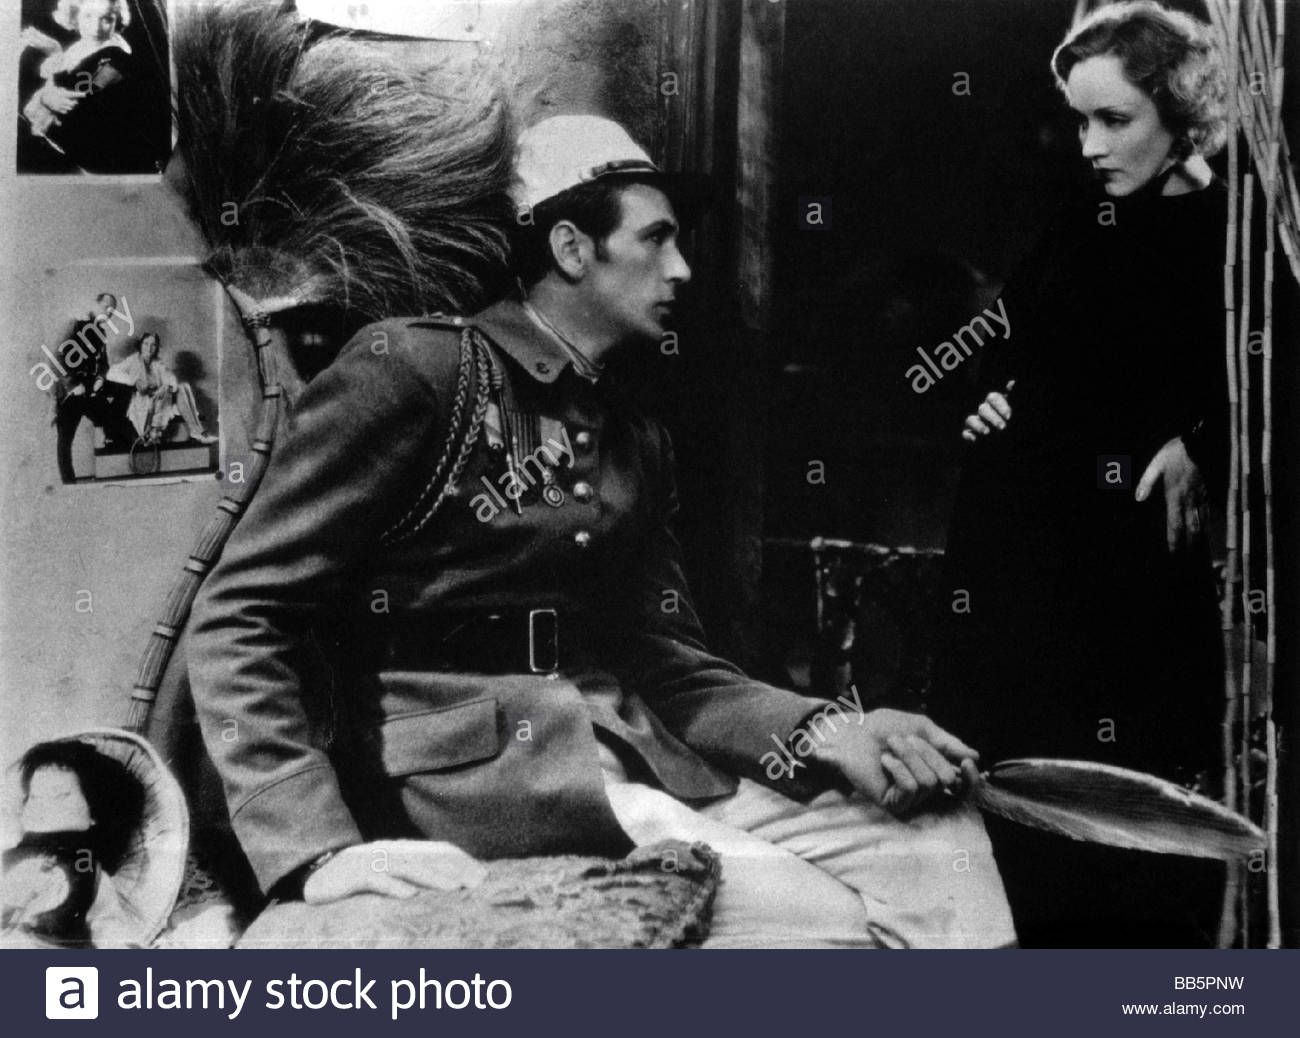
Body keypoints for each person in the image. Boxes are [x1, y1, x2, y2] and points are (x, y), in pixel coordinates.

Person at [189, 114, 1015, 948]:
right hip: (475, 786)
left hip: (631, 749)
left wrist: (829, 730)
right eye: (656, 239)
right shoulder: (416, 371)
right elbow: (240, 616)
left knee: (937, 846)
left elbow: (673, 666)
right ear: (573, 249)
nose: (682, 269)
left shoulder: (634, 434)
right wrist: (316, 849)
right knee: (820, 919)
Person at [929, 1, 1229, 946]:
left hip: (1122, 569)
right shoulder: (1083, 215)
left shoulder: (1228, 231)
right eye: (1080, 121)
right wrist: (986, 396)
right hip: (1016, 553)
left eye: (1114, 119)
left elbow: (1264, 374)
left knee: (1123, 827)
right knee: (1011, 807)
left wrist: (1203, 443)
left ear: (1181, 112)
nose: (1091, 145)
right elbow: (1008, 337)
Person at [1, 740, 144, 947]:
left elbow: (108, 923)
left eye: (60, 796)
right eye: (35, 797)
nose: (43, 806)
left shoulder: (88, 871)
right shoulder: (6, 857)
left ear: (94, 812)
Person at [18, 0, 154, 174]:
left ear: (117, 20)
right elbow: (56, 83)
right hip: (65, 138)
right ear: (75, 16)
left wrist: (54, 55)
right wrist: (55, 56)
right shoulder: (80, 47)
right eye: (88, 16)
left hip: (94, 150)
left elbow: (84, 93)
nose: (96, 27)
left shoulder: (118, 57)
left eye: (107, 19)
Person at [52, 291, 137, 483]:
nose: (109, 313)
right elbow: (57, 358)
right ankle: (69, 483)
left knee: (124, 390)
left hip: (90, 389)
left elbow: (104, 364)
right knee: (65, 441)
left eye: (112, 311)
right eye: (106, 307)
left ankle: (112, 436)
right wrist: (73, 384)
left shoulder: (101, 333)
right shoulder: (75, 324)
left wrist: (100, 378)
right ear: (95, 305)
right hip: (70, 392)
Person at [107, 331, 218, 445]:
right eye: (146, 344)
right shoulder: (133, 360)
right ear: (140, 345)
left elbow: (172, 381)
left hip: (160, 400)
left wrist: (166, 387)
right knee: (175, 391)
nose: (149, 348)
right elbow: (111, 373)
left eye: (153, 345)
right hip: (143, 404)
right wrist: (134, 381)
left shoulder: (157, 363)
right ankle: (154, 433)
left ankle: (198, 433)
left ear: (156, 347)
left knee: (183, 386)